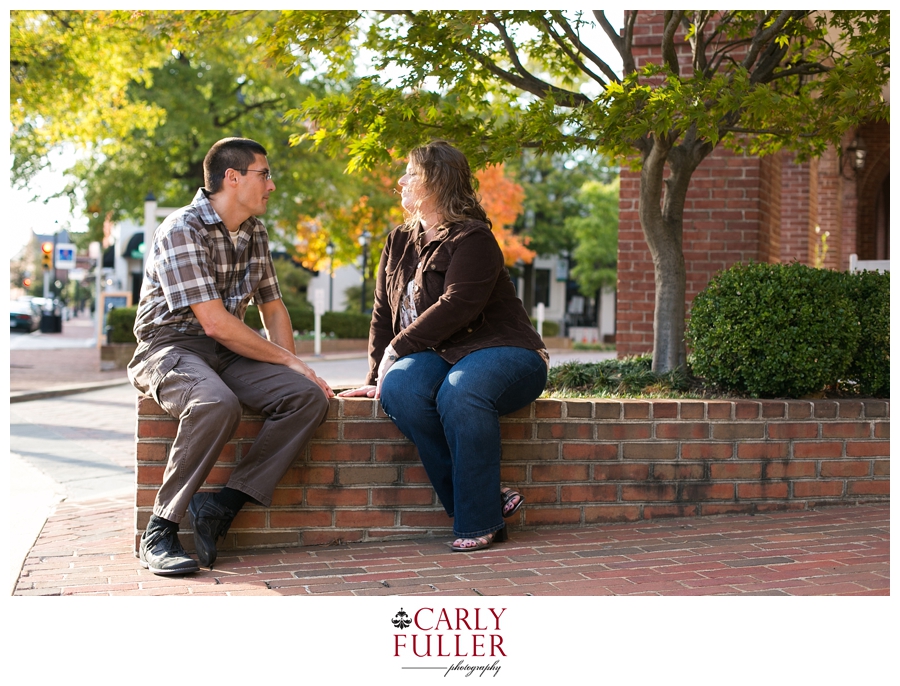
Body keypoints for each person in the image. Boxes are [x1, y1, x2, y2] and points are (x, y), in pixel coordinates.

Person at [128, 137, 333, 575]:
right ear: (233, 178)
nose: (272, 185)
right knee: (214, 403)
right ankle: (160, 530)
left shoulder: (254, 232)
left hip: (226, 351)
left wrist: (295, 371)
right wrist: (289, 360)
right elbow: (215, 322)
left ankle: (220, 508)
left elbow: (272, 308)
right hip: (169, 347)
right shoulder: (182, 228)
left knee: (307, 397)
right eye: (265, 174)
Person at [339, 140, 548, 552]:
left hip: (503, 350)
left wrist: (396, 350)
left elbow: (457, 307)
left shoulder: (474, 239)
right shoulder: (397, 241)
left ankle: (478, 521)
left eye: (410, 174)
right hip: (437, 356)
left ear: (435, 183)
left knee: (461, 392)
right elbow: (383, 312)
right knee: (400, 389)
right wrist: (376, 374)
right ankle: (487, 498)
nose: (401, 181)